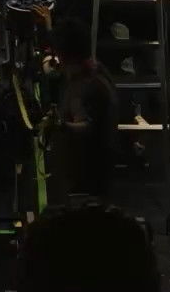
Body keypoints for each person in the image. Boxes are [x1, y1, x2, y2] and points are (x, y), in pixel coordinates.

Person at [45, 16, 117, 199]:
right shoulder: (92, 70)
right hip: (84, 173)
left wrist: (60, 125)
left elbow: (86, 125)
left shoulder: (90, 86)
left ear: (66, 55)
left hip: (85, 180)